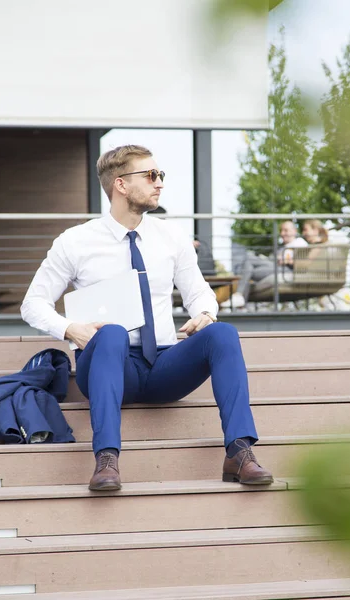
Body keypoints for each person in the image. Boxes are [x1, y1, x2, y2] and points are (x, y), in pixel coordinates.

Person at [21, 145, 273, 491]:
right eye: (151, 175)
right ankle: (106, 459)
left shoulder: (171, 237)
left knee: (223, 333)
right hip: (111, 366)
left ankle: (240, 452)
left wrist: (204, 312)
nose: (160, 183)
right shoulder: (76, 241)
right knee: (111, 334)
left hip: (163, 366)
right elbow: (32, 303)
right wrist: (69, 329)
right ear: (121, 185)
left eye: (161, 175)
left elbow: (198, 292)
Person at [228, 220, 307, 307]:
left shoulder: (300, 242)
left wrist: (286, 260)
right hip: (274, 266)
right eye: (281, 230)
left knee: (249, 261)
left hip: (285, 269)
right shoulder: (282, 246)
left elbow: (303, 262)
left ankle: (239, 297)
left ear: (294, 231)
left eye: (286, 230)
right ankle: (239, 300)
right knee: (249, 270)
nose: (282, 233)